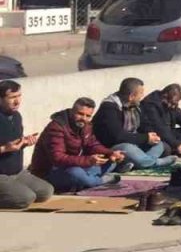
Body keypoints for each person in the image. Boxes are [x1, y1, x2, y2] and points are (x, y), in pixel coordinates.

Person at [30, 97, 126, 192]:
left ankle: (84, 181)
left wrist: (110, 153)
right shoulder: (57, 127)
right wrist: (88, 161)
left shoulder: (86, 125)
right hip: (50, 172)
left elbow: (92, 144)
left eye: (88, 116)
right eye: (80, 114)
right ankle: (100, 180)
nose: (84, 118)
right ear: (72, 111)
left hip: (75, 165)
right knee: (76, 173)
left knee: (109, 161)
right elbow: (58, 158)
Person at [93, 78, 175, 171]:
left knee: (160, 145)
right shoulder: (109, 108)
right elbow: (117, 136)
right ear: (131, 96)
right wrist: (145, 138)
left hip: (134, 142)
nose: (142, 96)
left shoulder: (135, 106)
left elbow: (143, 125)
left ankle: (137, 163)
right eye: (140, 93)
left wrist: (151, 136)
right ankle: (155, 162)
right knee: (128, 148)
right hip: (115, 146)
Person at [0, 81, 53, 210]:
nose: (17, 101)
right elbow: (6, 147)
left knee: (46, 191)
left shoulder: (17, 116)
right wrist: (4, 148)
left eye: (19, 96)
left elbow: (13, 144)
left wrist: (23, 143)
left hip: (17, 173)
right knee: (25, 198)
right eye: (12, 97)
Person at [140, 83, 181, 158]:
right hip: (156, 136)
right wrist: (176, 144)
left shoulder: (171, 105)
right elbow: (159, 129)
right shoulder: (150, 105)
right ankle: (178, 149)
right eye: (173, 103)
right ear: (165, 96)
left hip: (168, 133)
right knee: (166, 148)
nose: (174, 106)